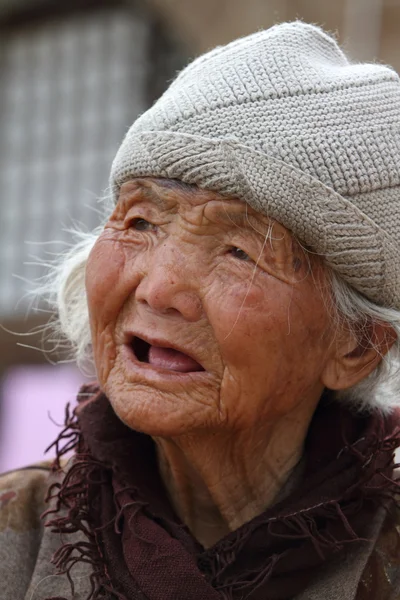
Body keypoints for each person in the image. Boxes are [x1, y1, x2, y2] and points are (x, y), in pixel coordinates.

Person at [2, 21, 400, 600]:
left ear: (357, 345)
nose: (159, 290)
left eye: (240, 252)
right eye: (140, 222)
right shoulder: (17, 536)